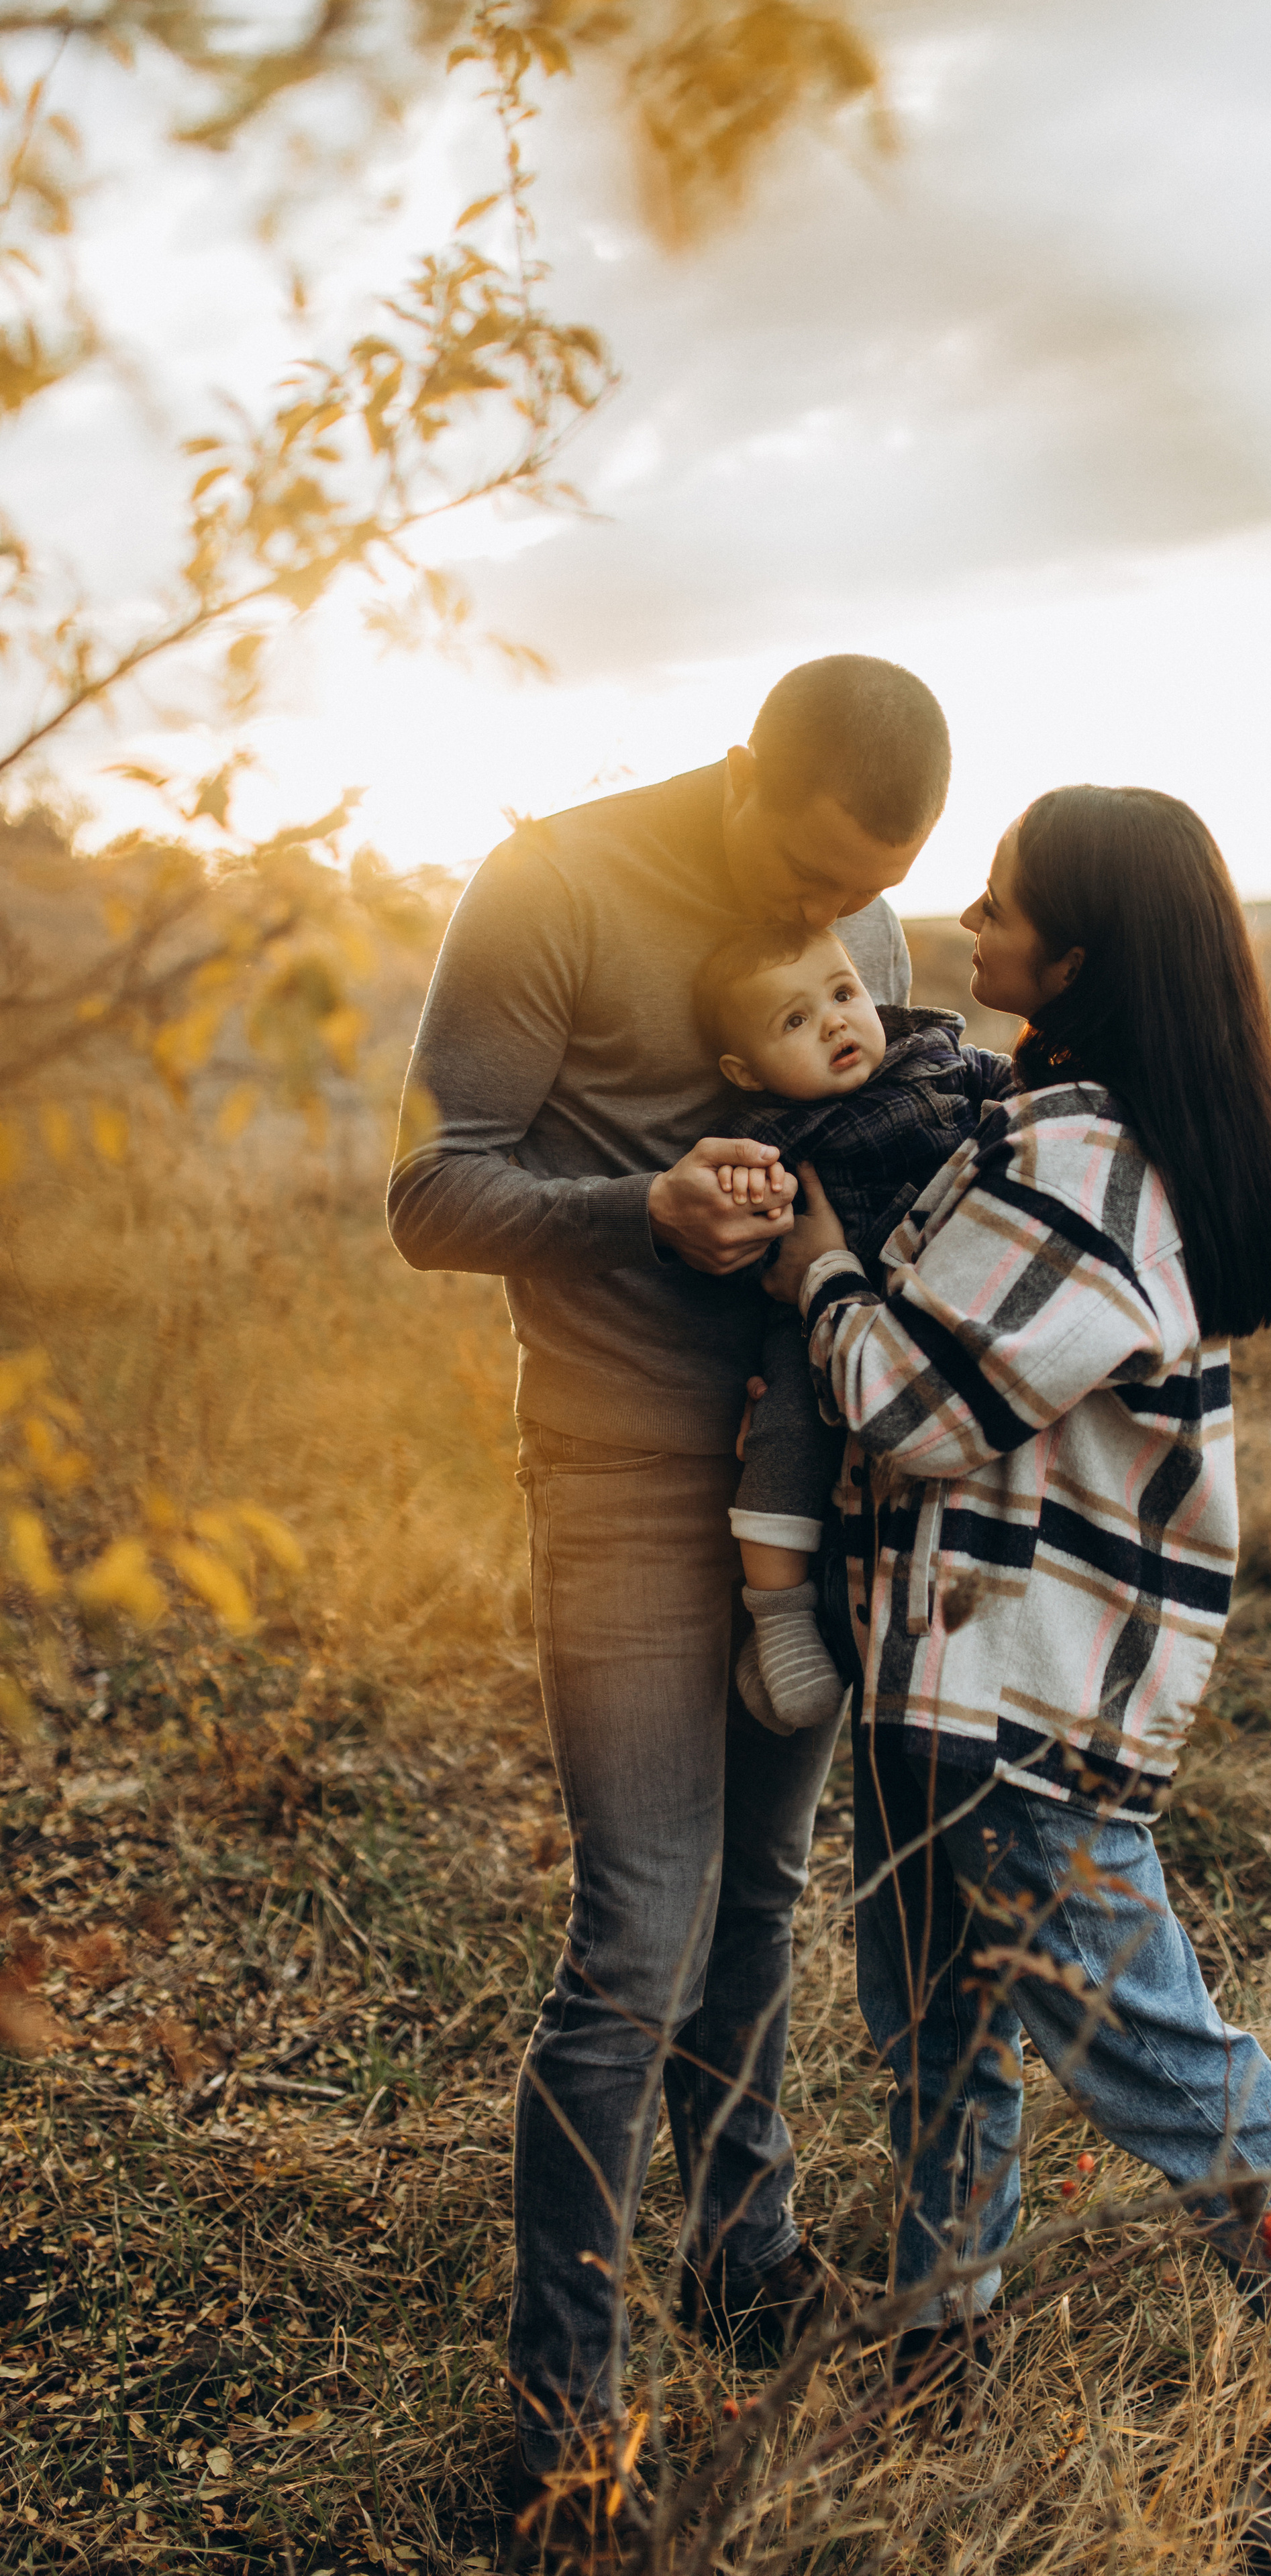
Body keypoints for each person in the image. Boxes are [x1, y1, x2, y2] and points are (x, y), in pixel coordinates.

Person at [762, 784, 1271, 2563]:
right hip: (946, 1677)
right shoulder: (1053, 1124)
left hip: (1018, 1699)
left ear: (1077, 954)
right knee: (937, 2032)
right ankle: (939, 2341)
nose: (966, 925)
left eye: (1000, 907)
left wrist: (816, 1265)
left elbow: (910, 1408)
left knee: (1150, 2056)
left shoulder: (1083, 1164)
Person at [385, 655, 951, 2558]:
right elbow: (429, 1193)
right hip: (623, 1470)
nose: (837, 921)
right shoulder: (547, 885)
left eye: (867, 896)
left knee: (767, 1897)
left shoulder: (869, 918)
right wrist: (640, 1209)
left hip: (818, 1483)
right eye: (809, 879)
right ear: (736, 773)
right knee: (638, 1932)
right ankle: (564, 2421)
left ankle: (744, 2245)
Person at [689, 917, 1016, 1733]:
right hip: (812, 1321)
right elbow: (735, 1218)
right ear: (746, 1070)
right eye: (795, 1020)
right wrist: (755, 1196)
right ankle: (780, 1617)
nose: (835, 1022)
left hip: (932, 1309)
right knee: (785, 1433)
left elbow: (1024, 1093)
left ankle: (865, 1623)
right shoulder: (764, 1134)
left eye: (843, 994)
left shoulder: (934, 1058)